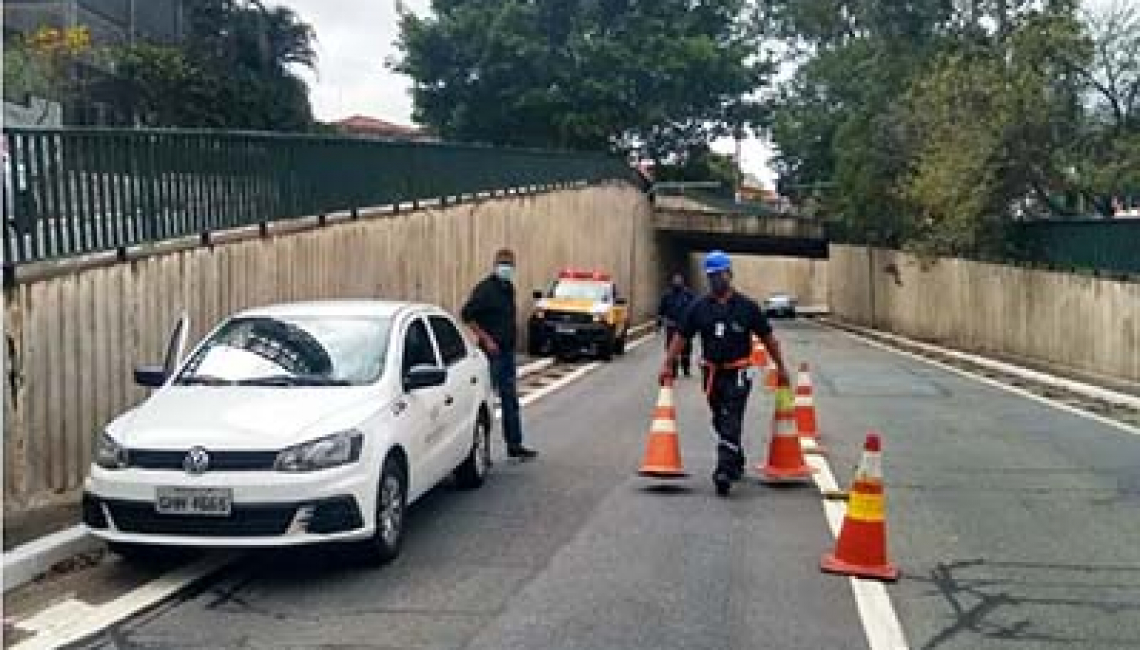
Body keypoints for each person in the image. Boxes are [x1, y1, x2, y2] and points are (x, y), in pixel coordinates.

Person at [659, 250, 790, 496]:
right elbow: (681, 336)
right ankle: (735, 456)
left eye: (720, 275)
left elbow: (769, 338)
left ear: (729, 274)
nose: (716, 280)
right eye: (711, 276)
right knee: (719, 419)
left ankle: (723, 470)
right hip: (711, 374)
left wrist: (781, 367)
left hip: (738, 371)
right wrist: (668, 363)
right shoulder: (699, 307)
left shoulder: (746, 307)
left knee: (731, 417)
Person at [462, 248, 538, 460]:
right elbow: (466, 314)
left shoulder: (509, 289)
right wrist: (486, 339)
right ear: (496, 266)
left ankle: (514, 445)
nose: (506, 268)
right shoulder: (485, 290)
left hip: (507, 353)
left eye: (509, 264)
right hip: (491, 354)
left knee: (510, 400)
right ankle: (479, 452)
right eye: (502, 264)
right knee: (484, 402)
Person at [657, 273, 695, 377]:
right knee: (671, 347)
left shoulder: (689, 294)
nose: (677, 282)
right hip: (671, 326)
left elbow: (695, 310)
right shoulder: (667, 295)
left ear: (683, 282)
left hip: (685, 326)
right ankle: (673, 370)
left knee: (686, 349)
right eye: (675, 280)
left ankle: (686, 369)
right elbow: (661, 310)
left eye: (679, 280)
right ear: (672, 282)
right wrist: (659, 324)